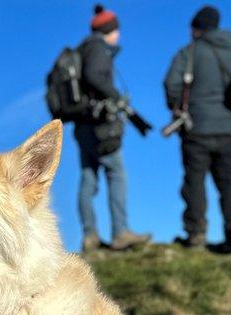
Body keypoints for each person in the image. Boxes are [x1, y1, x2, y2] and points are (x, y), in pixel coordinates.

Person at [164, 5, 231, 251]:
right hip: (228, 128)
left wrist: (177, 106)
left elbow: (171, 83)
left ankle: (196, 235)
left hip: (196, 129)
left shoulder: (188, 54)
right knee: (229, 183)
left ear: (197, 28)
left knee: (195, 181)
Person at [74, 4, 151, 252]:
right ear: (110, 29)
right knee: (117, 174)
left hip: (83, 126)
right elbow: (95, 76)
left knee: (88, 178)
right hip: (100, 126)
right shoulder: (98, 49)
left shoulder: (82, 49)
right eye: (116, 29)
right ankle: (120, 232)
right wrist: (115, 97)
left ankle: (90, 236)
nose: (118, 34)